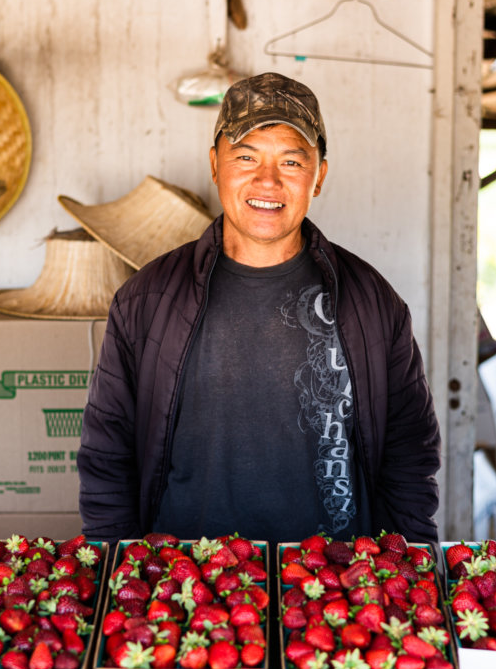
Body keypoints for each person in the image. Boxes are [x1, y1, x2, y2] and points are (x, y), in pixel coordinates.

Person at [77, 72, 441, 547]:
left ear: (319, 176)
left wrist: (410, 565)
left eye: (291, 161)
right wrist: (115, 568)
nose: (267, 180)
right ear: (214, 164)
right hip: (184, 586)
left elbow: (409, 455)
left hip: (334, 589)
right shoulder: (148, 302)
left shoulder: (372, 304)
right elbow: (108, 453)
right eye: (246, 157)